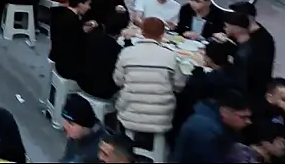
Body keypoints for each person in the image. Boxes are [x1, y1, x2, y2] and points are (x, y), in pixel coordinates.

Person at [113, 17, 183, 150]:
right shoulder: (171, 56)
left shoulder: (127, 53)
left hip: (129, 112)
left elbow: (118, 81)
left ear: (142, 32)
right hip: (162, 117)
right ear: (162, 35)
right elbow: (179, 85)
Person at [173, 89, 254, 162]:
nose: (248, 122)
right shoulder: (205, 132)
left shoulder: (216, 122)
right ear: (224, 112)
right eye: (243, 117)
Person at [60, 94, 105, 163]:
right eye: (65, 121)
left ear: (85, 125)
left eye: (71, 123)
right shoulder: (76, 136)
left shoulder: (101, 151)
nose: (65, 126)